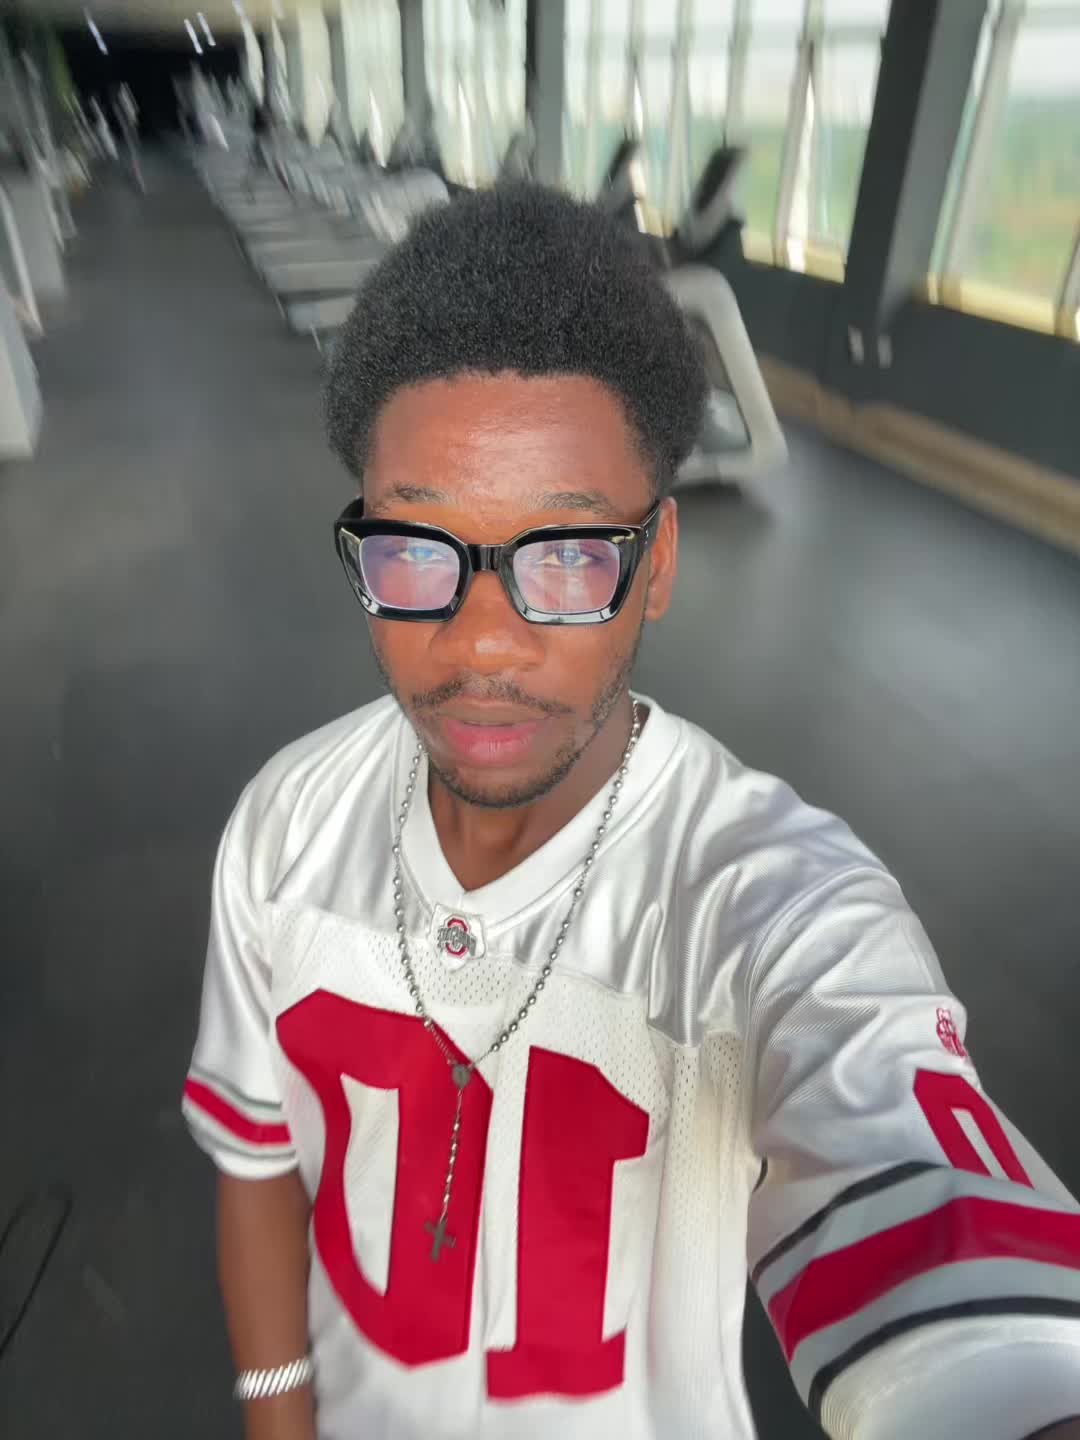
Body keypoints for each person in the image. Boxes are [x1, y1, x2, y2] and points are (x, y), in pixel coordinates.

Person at [182, 183, 1080, 1440]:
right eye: (415, 549)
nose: (481, 643)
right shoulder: (286, 824)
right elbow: (257, 1158)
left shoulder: (773, 907)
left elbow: (947, 1248)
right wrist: (278, 1419)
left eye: (567, 556)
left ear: (656, 564)